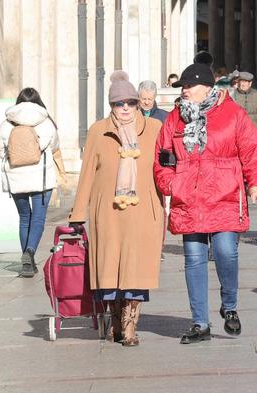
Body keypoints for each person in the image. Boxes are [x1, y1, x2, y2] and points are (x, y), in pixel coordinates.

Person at [154, 63, 257, 344]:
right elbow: (162, 156)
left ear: (207, 87)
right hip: (189, 197)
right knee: (194, 259)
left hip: (224, 194)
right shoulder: (175, 119)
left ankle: (229, 307)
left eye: (189, 86)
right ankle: (200, 323)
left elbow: (252, 150)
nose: (184, 90)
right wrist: (171, 183)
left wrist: (256, 184)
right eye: (182, 86)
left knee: (225, 251)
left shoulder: (233, 114)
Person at [69, 70, 165, 347]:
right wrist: (77, 214)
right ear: (111, 106)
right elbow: (87, 173)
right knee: (110, 270)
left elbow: (165, 169)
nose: (125, 108)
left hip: (142, 210)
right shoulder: (99, 130)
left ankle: (131, 324)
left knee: (135, 269)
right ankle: (114, 321)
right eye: (118, 103)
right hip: (107, 212)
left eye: (130, 103)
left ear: (138, 104)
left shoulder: (154, 129)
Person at [0, 87, 61, 277]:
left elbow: (0, 151)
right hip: (41, 178)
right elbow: (55, 146)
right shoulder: (46, 122)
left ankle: (27, 263)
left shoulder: (7, 123)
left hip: (16, 177)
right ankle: (29, 252)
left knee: (25, 218)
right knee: (38, 218)